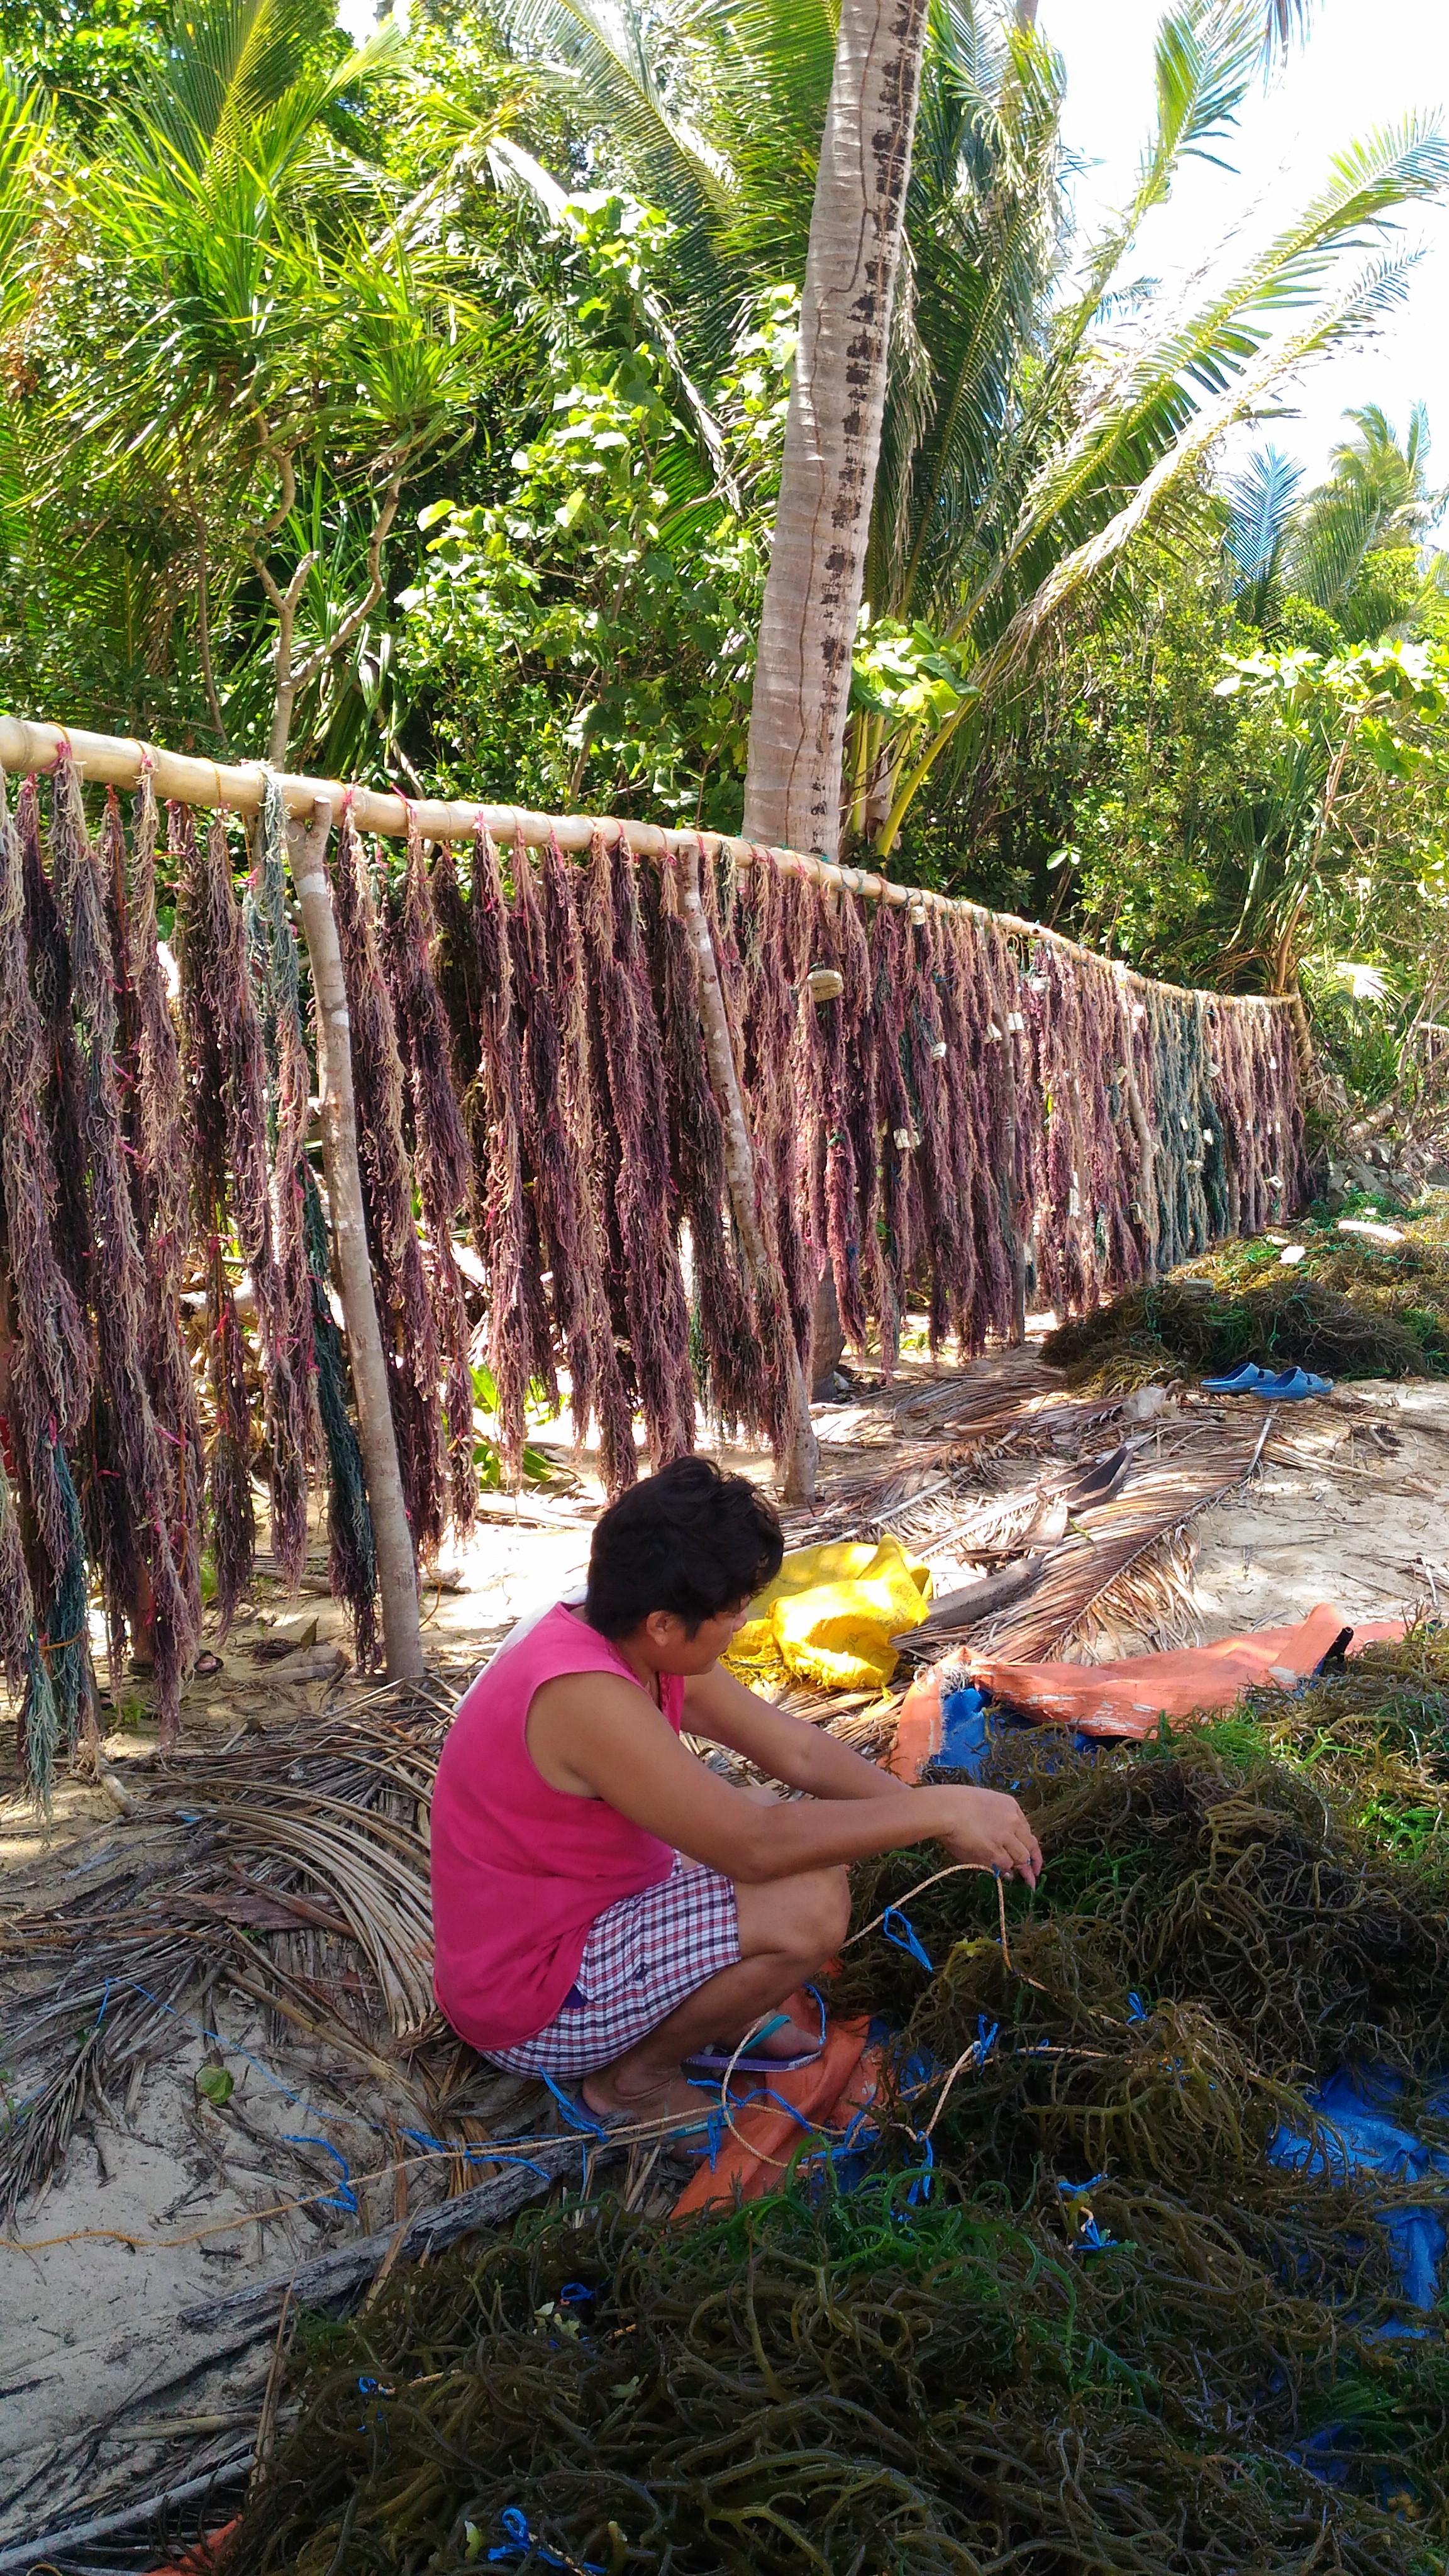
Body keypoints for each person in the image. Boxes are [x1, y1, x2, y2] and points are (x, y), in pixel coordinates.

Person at [430, 1456, 1042, 2124]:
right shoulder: (585, 1696)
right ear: (664, 1623)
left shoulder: (631, 1634)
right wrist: (939, 1811)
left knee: (771, 1810)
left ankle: (718, 2013)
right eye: (732, 1612)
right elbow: (753, 1849)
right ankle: (634, 2082)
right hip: (532, 1999)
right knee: (810, 1901)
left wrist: (924, 1810)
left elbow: (796, 1750)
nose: (745, 1624)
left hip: (589, 1906)